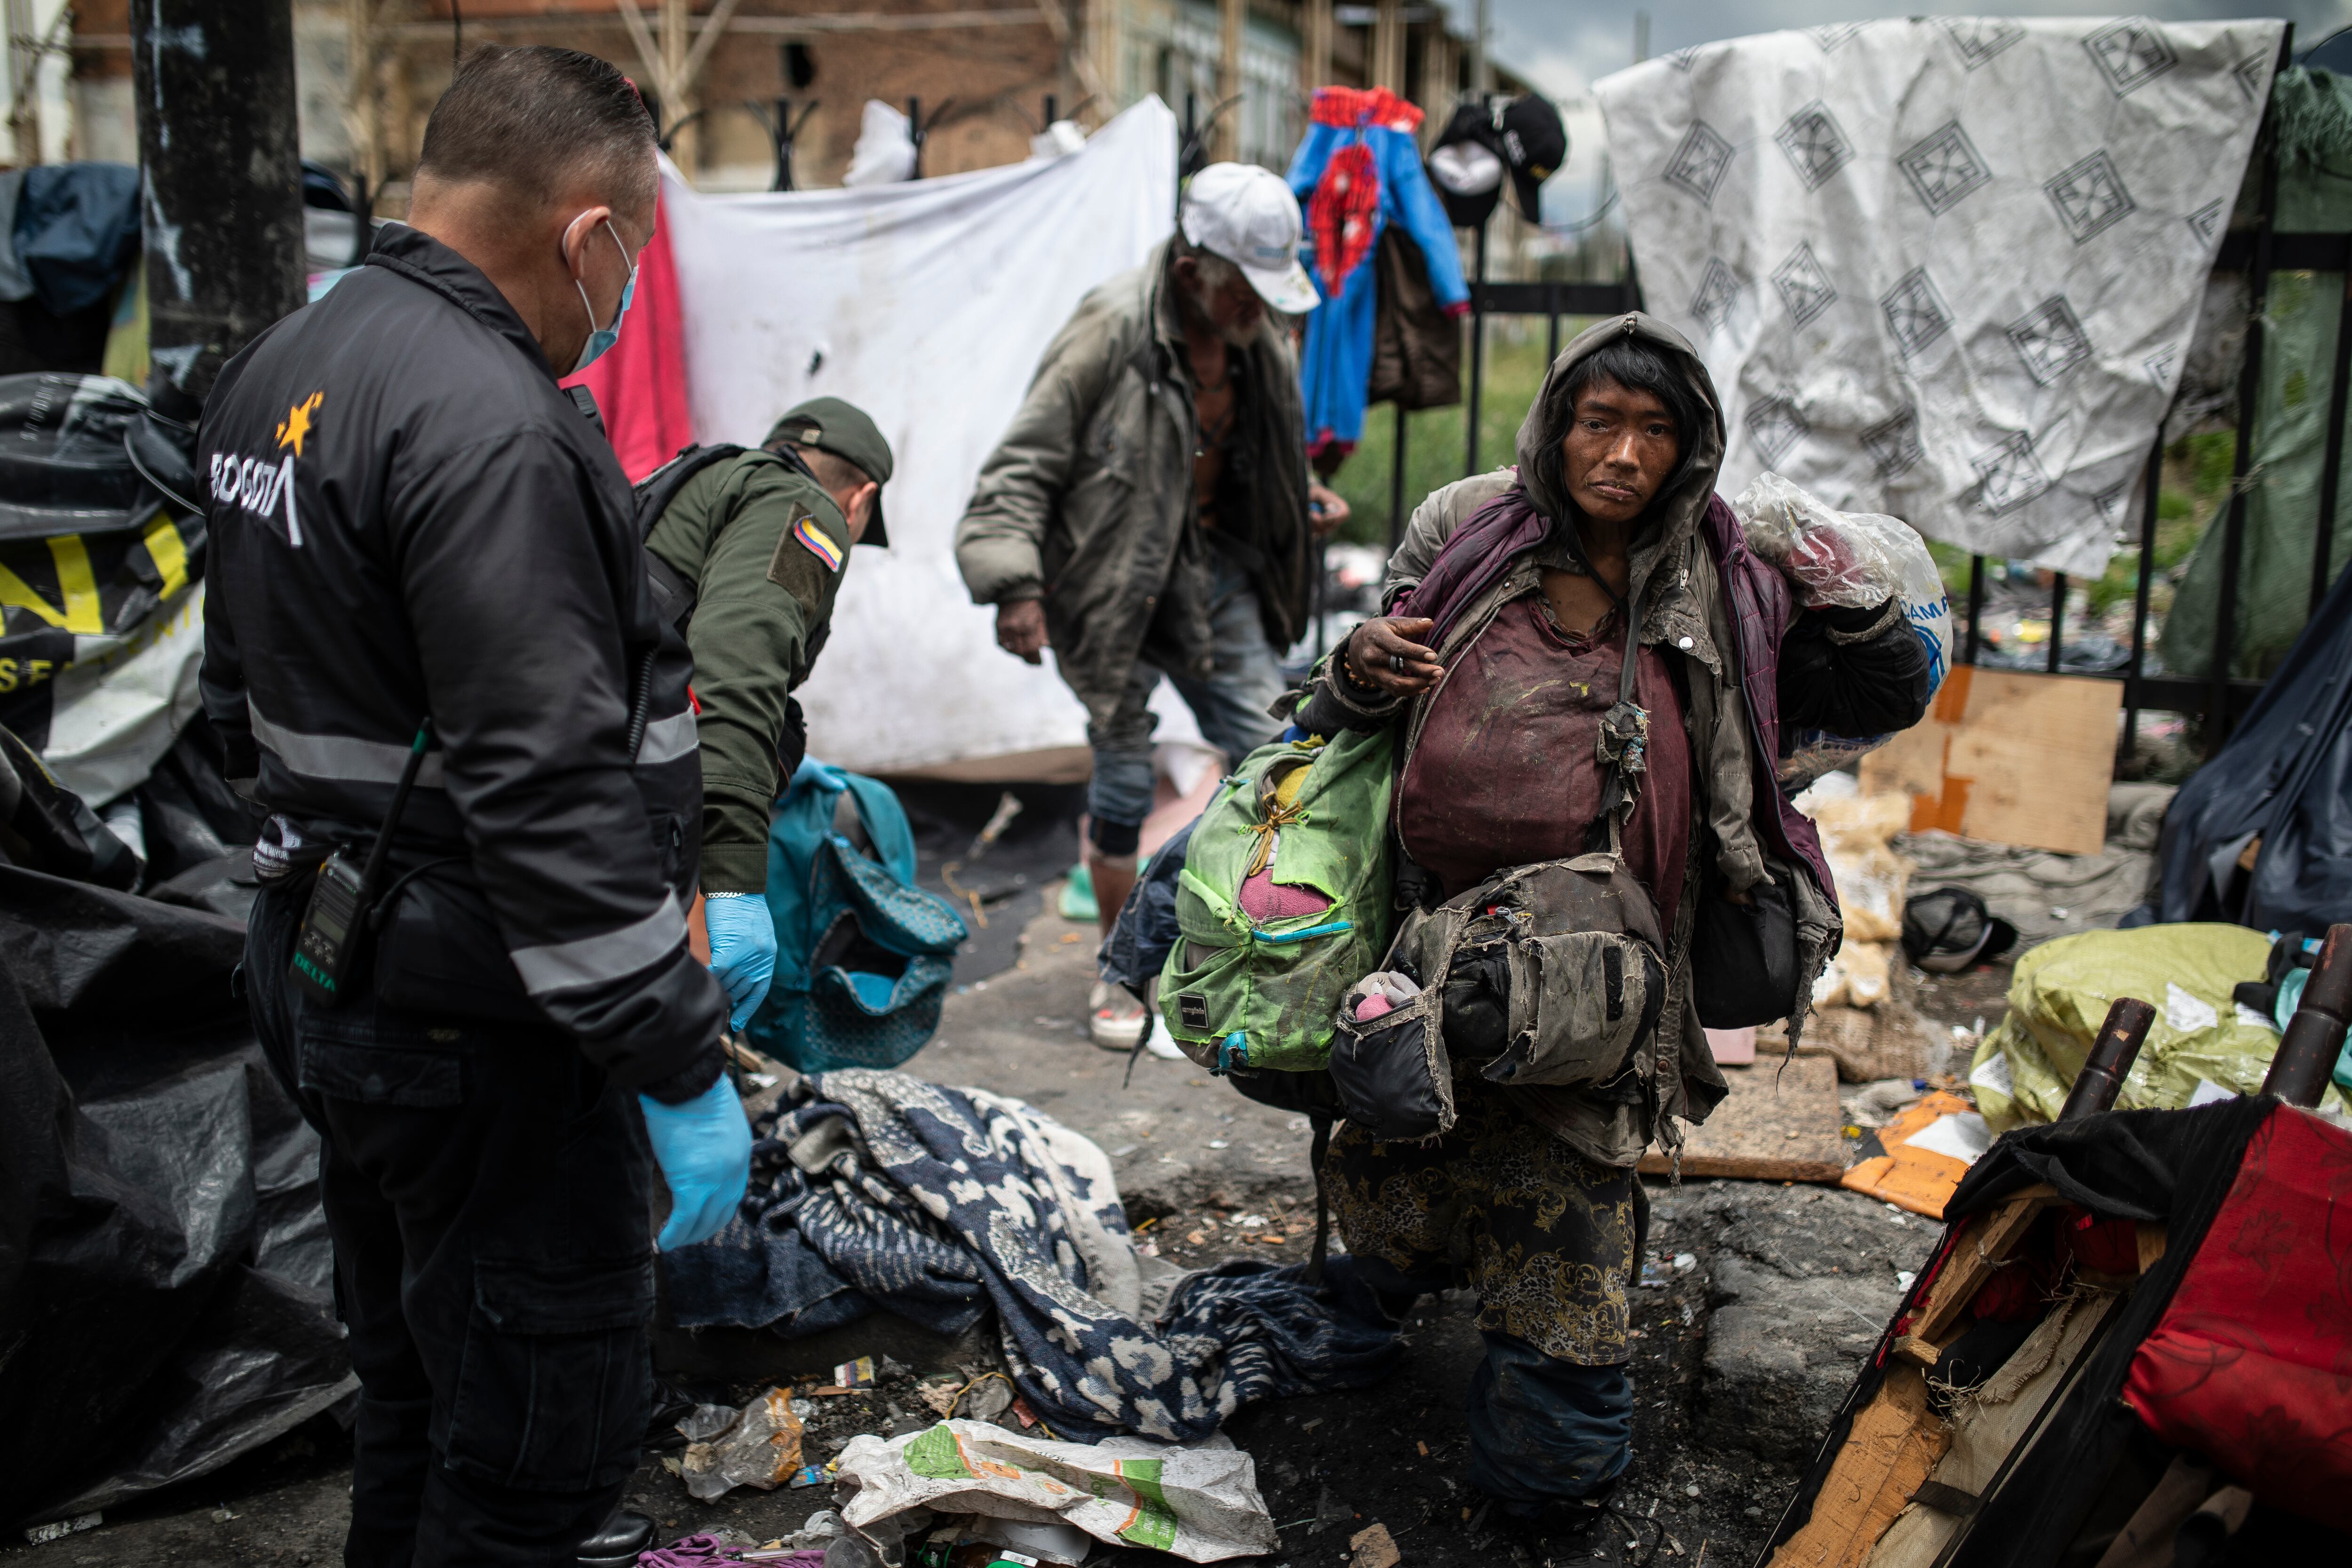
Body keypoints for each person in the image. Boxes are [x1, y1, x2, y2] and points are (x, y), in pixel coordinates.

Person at [198, 47, 750, 1568]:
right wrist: (672, 1052)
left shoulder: (280, 366)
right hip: (478, 1024)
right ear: (590, 237)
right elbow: (546, 788)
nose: (621, 297)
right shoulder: (494, 423)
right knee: (529, 1462)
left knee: (413, 1394)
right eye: (630, 257)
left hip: (333, 971)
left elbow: (231, 699)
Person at [1286, 313, 1928, 1539]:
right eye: (1598, 422)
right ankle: (1358, 1328)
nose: (1622, 454)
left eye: (1653, 430)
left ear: (1691, 448)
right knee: (1391, 1141)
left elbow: (1878, 693)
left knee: (1567, 1199)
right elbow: (1339, 711)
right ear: (1557, 427)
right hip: (1426, 938)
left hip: (1603, 972)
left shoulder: (1729, 576)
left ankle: (1541, 1480)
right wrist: (1359, 663)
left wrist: (1848, 590)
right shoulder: (1471, 536)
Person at [956, 161, 1351, 1048]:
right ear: (1189, 270)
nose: (1257, 308)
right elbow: (1022, 466)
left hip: (1217, 574)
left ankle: (1245, 951)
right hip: (1113, 583)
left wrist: (1301, 495)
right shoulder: (1110, 329)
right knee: (1126, 780)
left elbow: (1259, 452)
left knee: (1280, 759)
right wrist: (1015, 585)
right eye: (1241, 289)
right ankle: (1121, 968)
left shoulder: (1256, 340)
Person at [642, 397, 893, 1032]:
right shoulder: (808, 509)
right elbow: (733, 674)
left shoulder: (707, 478)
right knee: (778, 729)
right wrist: (733, 882)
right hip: (632, 773)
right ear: (861, 499)